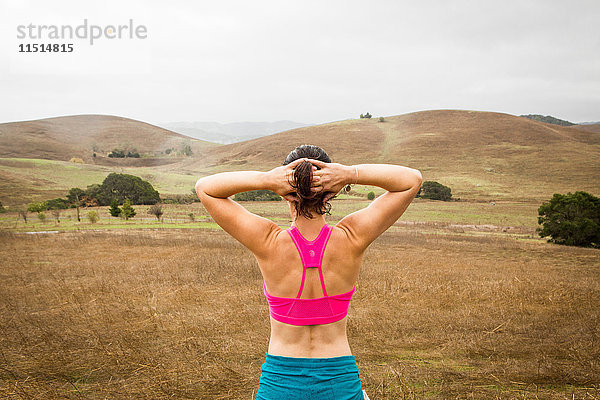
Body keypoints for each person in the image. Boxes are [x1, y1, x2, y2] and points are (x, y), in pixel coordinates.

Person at [195, 144, 423, 400]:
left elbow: (205, 188)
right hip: (340, 382)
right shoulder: (351, 237)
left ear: (284, 192)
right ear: (331, 192)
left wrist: (267, 179)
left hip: (280, 384)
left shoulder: (268, 242)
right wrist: (349, 174)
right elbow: (411, 180)